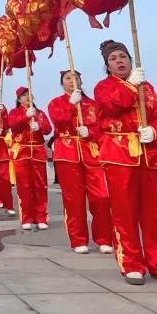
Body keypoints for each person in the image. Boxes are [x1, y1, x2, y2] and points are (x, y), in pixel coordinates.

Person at [93, 39, 157, 286]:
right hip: (119, 155)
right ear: (107, 66)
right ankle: (131, 262)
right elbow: (110, 107)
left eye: (123, 56)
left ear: (131, 60)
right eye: (113, 58)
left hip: (149, 154)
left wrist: (155, 130)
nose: (119, 61)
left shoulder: (147, 87)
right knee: (124, 210)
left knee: (156, 211)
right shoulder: (104, 87)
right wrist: (129, 87)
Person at [47, 70, 114, 254]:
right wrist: (71, 104)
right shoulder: (56, 103)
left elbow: (103, 129)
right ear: (62, 83)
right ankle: (78, 239)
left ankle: (104, 238)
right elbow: (59, 122)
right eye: (68, 78)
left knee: (101, 197)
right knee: (73, 199)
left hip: (91, 153)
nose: (72, 81)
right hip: (67, 154)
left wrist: (91, 133)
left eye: (75, 78)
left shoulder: (92, 104)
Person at [8, 86, 52, 231]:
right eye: (23, 95)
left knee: (40, 186)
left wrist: (38, 126)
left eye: (29, 94)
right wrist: (25, 116)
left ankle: (41, 217)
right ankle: (27, 217)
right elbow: (12, 125)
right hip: (22, 151)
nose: (27, 97)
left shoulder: (39, 113)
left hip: (38, 151)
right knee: (24, 186)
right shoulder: (14, 112)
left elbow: (48, 129)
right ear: (19, 99)